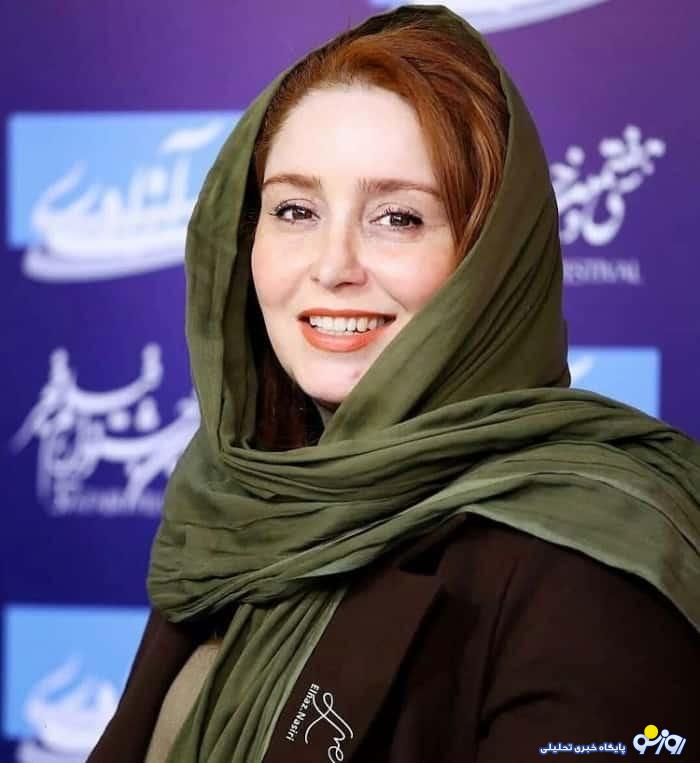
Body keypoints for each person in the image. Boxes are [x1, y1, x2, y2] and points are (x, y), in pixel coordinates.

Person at [89, 5, 700, 762]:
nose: (332, 265)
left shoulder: (594, 571)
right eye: (295, 210)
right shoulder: (236, 509)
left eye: (398, 218)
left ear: (492, 264)